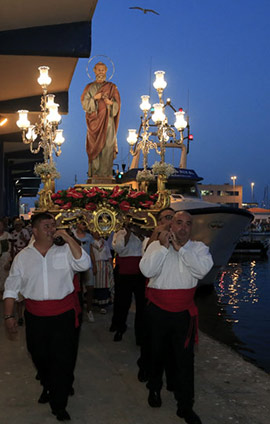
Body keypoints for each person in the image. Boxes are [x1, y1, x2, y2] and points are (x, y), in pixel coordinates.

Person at [3, 212, 91, 422]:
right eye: (46, 226)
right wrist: (9, 316)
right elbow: (11, 289)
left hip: (63, 316)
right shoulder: (23, 257)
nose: (51, 229)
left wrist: (69, 238)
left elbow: (84, 265)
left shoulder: (66, 250)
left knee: (63, 360)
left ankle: (58, 404)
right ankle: (48, 384)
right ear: (34, 230)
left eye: (53, 225)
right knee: (39, 356)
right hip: (36, 316)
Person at [139, 211, 213, 424]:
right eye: (178, 222)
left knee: (185, 361)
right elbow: (146, 270)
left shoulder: (199, 249)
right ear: (170, 225)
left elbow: (201, 271)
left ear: (192, 228)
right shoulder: (155, 246)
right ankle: (154, 389)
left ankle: (185, 405)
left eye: (187, 224)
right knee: (156, 354)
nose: (183, 227)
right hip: (158, 311)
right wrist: (164, 247)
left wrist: (180, 250)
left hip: (183, 313)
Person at [81, 62, 121, 178]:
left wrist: (111, 103)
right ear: (94, 70)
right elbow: (84, 104)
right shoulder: (89, 87)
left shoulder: (112, 87)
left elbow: (117, 104)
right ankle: (95, 174)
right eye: (98, 70)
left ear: (106, 71)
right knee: (94, 147)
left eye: (103, 70)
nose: (101, 72)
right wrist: (94, 98)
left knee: (108, 145)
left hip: (108, 121)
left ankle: (106, 173)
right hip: (94, 122)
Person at [110, 223, 146, 344]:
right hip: (124, 272)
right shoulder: (119, 233)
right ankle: (120, 327)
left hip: (140, 272)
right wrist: (128, 233)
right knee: (122, 302)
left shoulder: (143, 232)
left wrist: (138, 233)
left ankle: (140, 334)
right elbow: (119, 249)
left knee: (141, 305)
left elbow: (146, 247)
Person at [73, 220, 95, 323]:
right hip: (76, 265)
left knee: (90, 287)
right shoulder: (73, 235)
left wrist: (94, 265)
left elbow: (91, 251)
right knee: (78, 289)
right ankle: (78, 310)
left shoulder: (89, 237)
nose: (84, 225)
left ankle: (89, 310)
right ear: (77, 224)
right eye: (83, 223)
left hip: (87, 265)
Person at [90, 231, 114, 314]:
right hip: (94, 265)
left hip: (104, 265)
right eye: (96, 231)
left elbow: (109, 255)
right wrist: (93, 266)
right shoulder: (90, 242)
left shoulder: (105, 242)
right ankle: (95, 303)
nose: (98, 233)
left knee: (104, 285)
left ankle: (103, 306)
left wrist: (111, 267)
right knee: (95, 285)